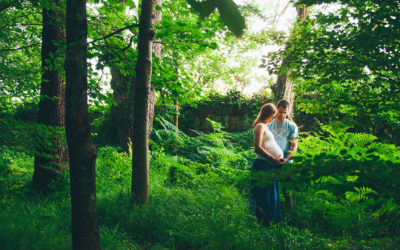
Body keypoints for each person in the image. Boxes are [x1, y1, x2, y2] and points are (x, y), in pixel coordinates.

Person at [250, 103, 284, 225]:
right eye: (273, 116)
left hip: (268, 165)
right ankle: (264, 224)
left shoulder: (264, 126)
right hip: (262, 165)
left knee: (270, 194)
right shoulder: (260, 126)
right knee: (264, 196)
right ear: (269, 115)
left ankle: (271, 223)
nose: (273, 118)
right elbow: (257, 148)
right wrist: (273, 159)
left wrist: (275, 159)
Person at [267, 99, 299, 209]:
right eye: (280, 112)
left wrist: (285, 159)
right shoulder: (268, 125)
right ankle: (272, 212)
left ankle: (289, 215)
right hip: (270, 161)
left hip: (287, 162)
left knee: (287, 191)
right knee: (270, 188)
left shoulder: (292, 126)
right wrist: (272, 158)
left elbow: (294, 146)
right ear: (276, 110)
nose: (282, 115)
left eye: (285, 112)